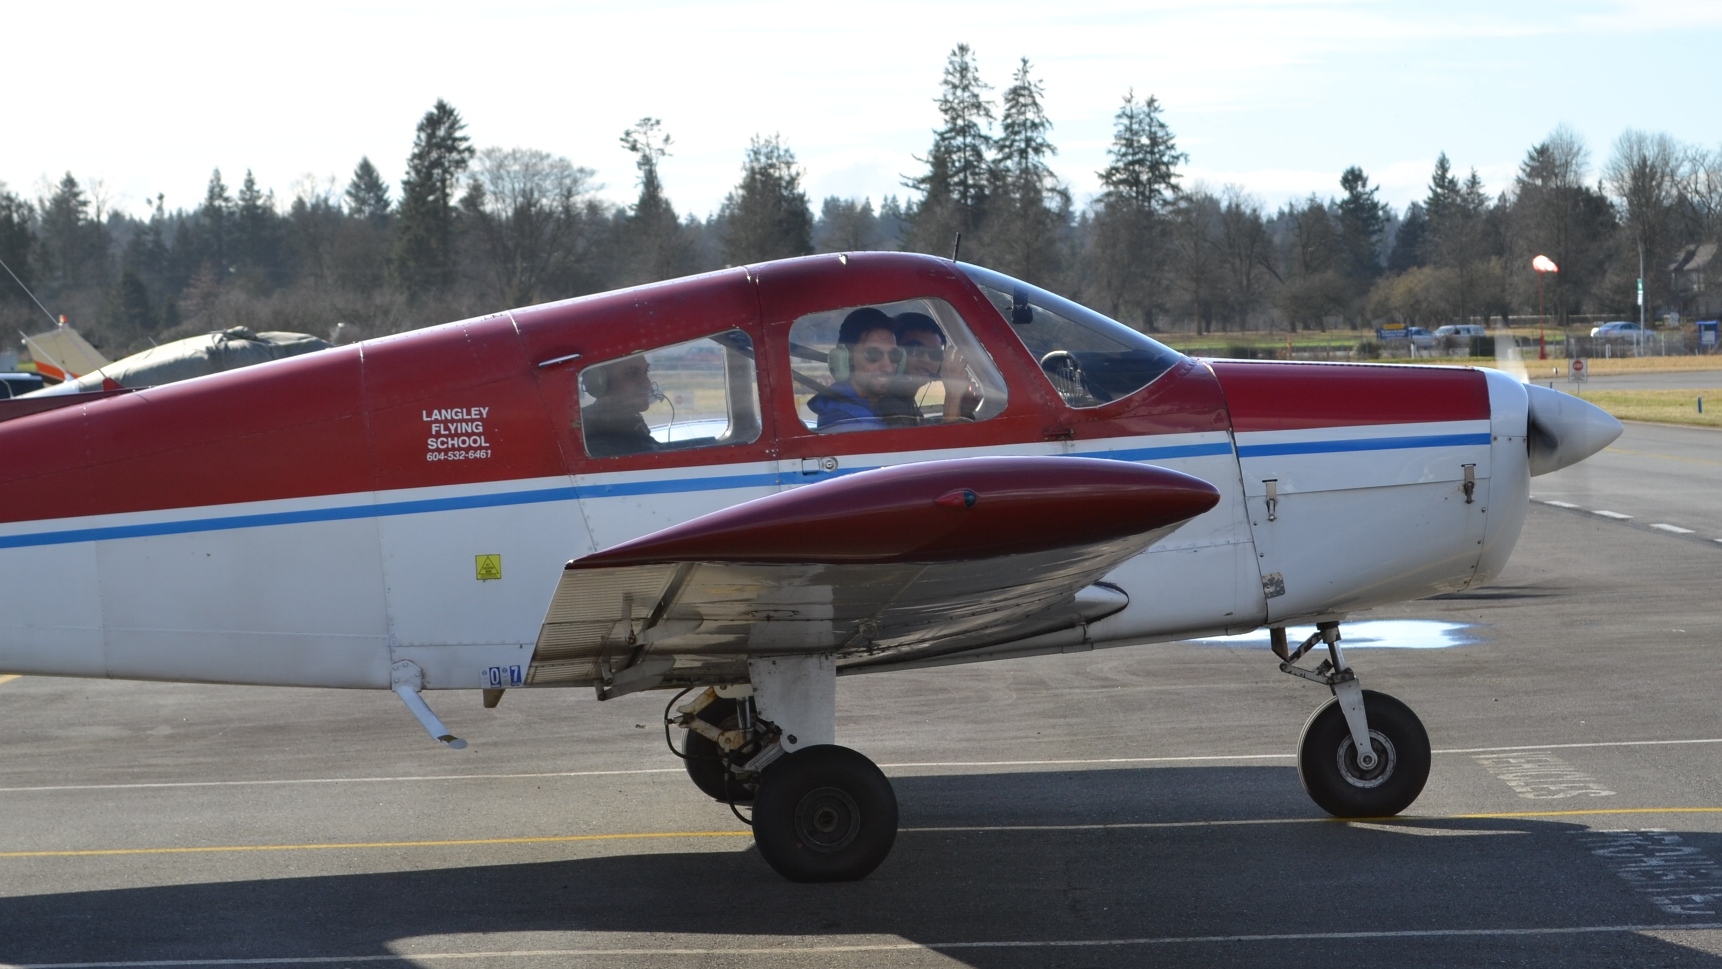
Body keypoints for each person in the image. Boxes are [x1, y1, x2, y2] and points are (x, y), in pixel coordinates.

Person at [809, 308, 906, 431]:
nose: (887, 367)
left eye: (894, 355)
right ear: (846, 359)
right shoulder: (852, 423)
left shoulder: (859, 406)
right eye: (873, 355)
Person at [892, 311, 980, 422]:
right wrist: (952, 399)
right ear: (894, 352)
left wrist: (962, 412)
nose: (926, 359)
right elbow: (949, 439)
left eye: (935, 354)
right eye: (914, 349)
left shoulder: (906, 403)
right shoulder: (888, 405)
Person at [581, 354, 661, 456]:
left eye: (646, 372)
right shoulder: (603, 447)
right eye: (631, 373)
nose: (647, 383)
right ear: (598, 383)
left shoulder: (628, 424)